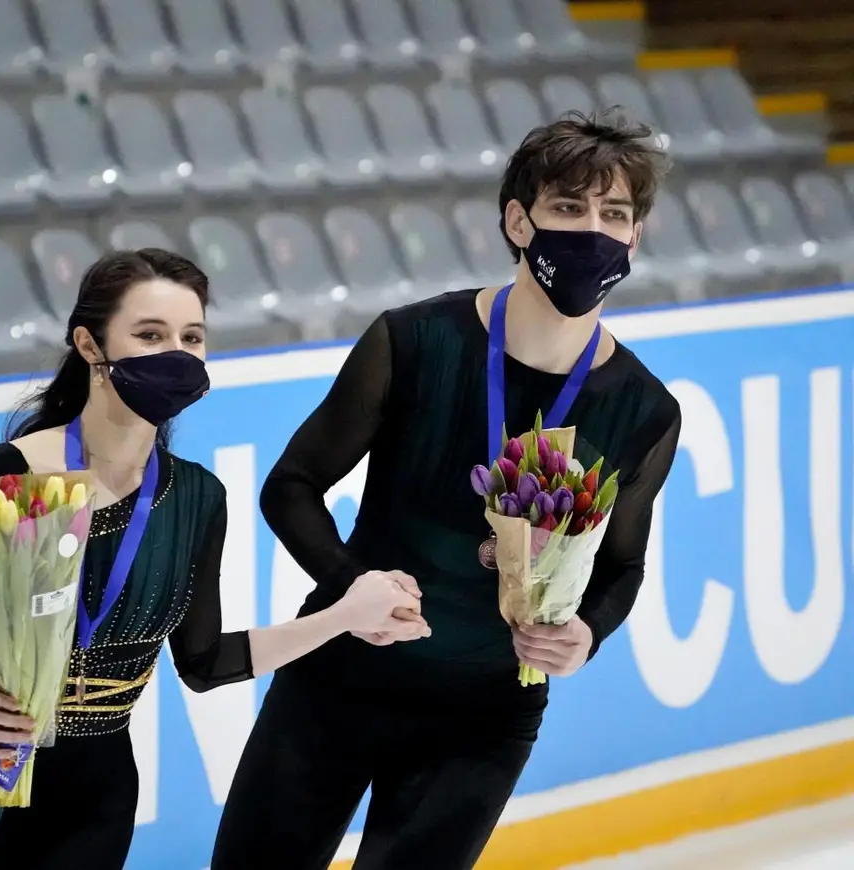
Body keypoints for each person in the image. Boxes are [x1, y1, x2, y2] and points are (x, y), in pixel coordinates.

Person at [211, 108, 683, 869]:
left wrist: (586, 634)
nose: (593, 230)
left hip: (484, 718)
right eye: (568, 207)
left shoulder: (645, 409)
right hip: (338, 680)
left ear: (635, 238)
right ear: (519, 221)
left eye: (614, 214)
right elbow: (291, 486)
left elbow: (623, 564)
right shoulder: (415, 340)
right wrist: (351, 584)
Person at [0, 248, 429, 869]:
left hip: (98, 794)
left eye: (191, 337)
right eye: (150, 335)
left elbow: (204, 663)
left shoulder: (195, 497)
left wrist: (343, 616)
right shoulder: (11, 476)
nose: (176, 353)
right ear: (89, 345)